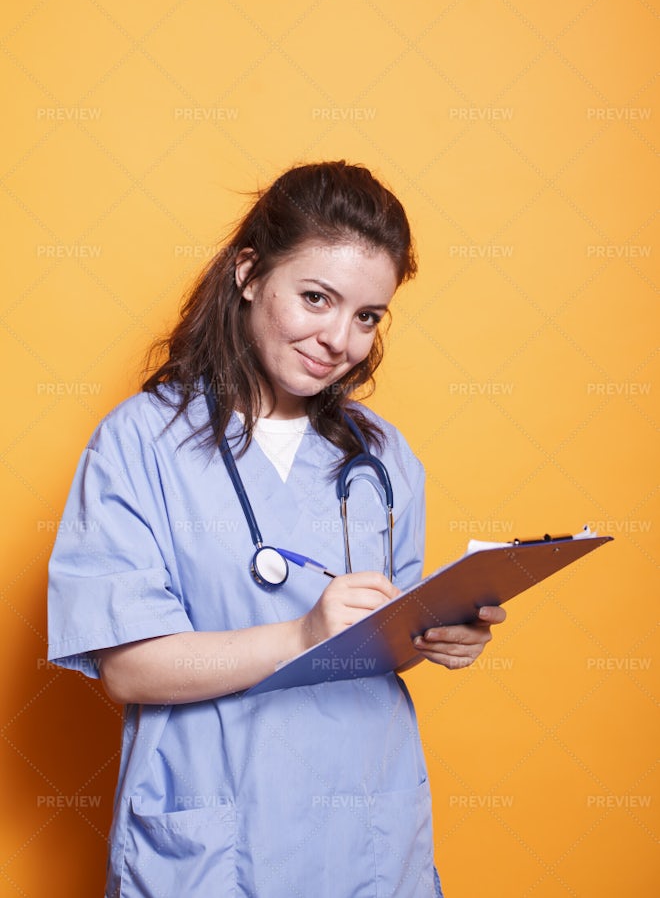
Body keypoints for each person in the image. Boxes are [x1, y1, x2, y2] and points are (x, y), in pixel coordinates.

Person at [48, 161, 505, 898]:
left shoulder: (381, 458)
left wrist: (439, 632)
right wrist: (301, 634)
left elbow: (382, 633)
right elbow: (127, 669)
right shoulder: (139, 443)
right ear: (251, 273)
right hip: (213, 835)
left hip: (366, 831)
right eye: (316, 298)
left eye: (367, 317)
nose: (339, 340)